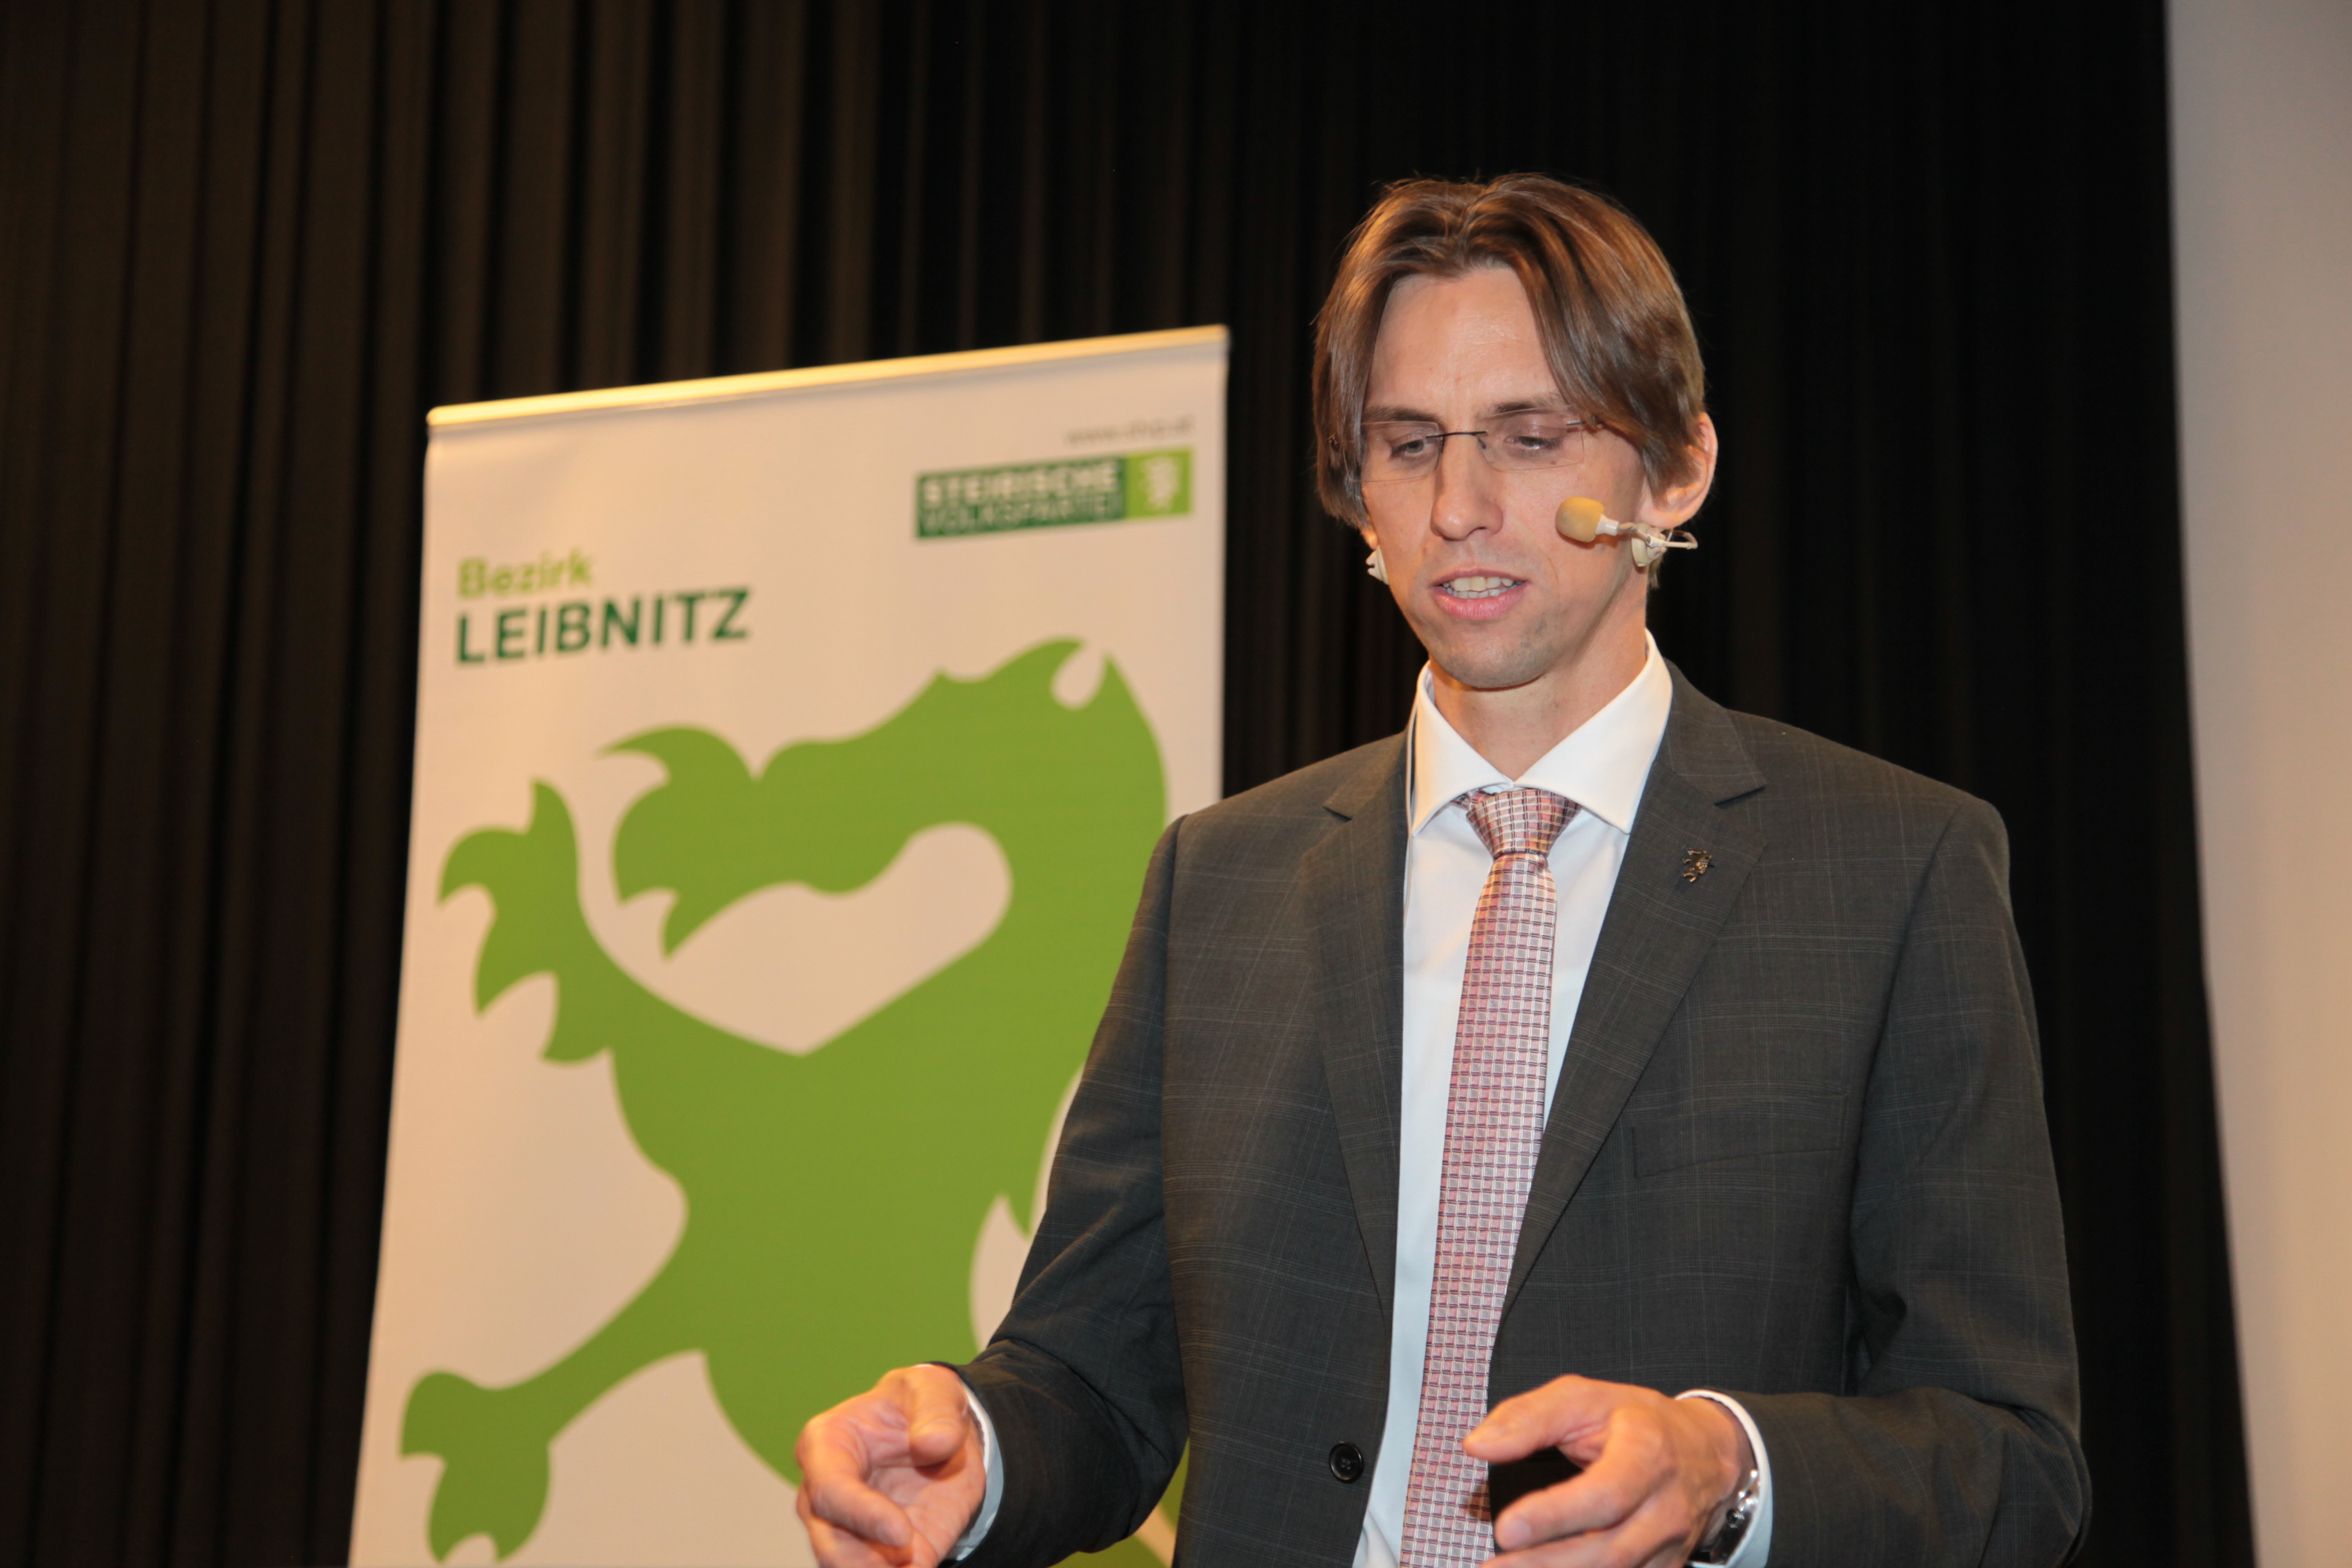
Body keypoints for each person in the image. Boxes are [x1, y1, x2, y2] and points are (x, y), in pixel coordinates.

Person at [794, 175, 2088, 1568]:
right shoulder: (1219, 883)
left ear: (1676, 469)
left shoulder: (1891, 872)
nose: (1460, 506)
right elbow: (1095, 1375)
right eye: (1408, 444)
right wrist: (978, 1450)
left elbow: (2011, 1455)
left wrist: (1727, 1469)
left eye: (1531, 438)